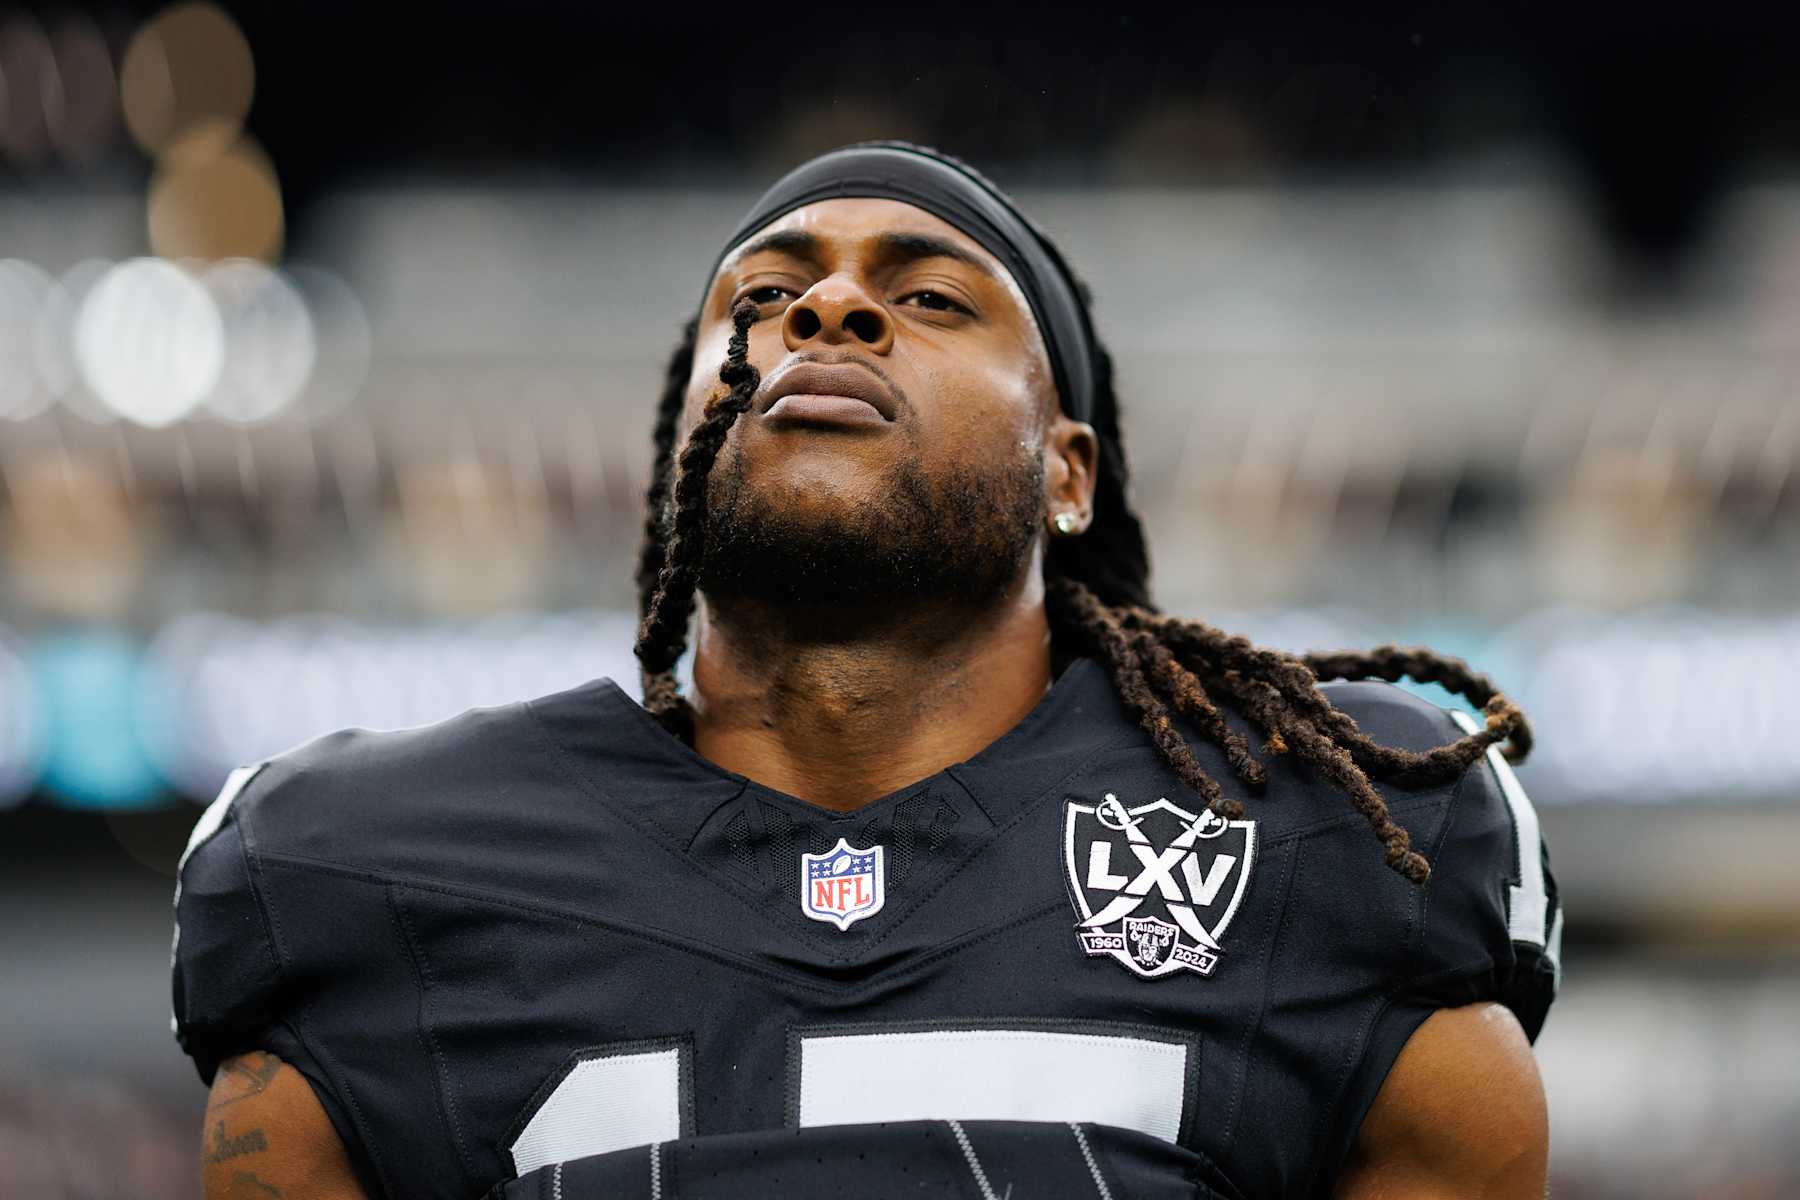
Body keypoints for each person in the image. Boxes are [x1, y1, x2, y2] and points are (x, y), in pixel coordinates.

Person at [173, 141, 1560, 1199]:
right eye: (768, 294)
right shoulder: (369, 872)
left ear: (1066, 473)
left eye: (932, 296)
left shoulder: (1330, 832)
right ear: (676, 461)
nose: (829, 309)